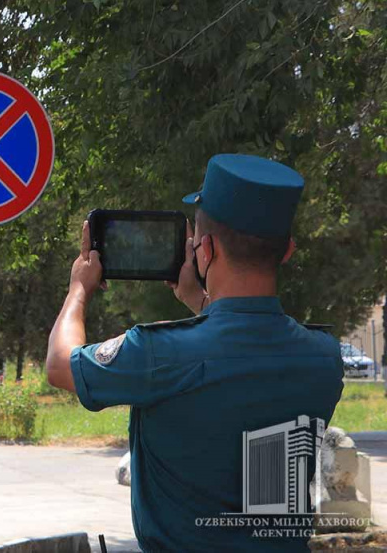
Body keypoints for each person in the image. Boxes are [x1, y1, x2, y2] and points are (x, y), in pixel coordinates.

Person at [46, 154, 344, 552]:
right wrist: (198, 299)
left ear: (205, 249)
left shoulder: (157, 352)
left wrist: (78, 289)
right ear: (287, 251)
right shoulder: (324, 358)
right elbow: (244, 352)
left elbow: (60, 365)